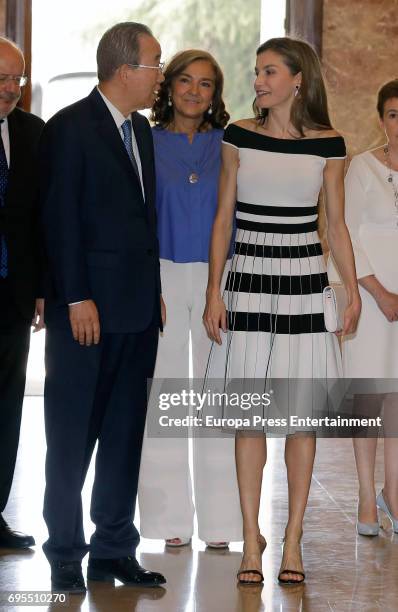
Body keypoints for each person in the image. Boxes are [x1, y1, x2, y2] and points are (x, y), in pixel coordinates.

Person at [203, 37, 361, 585]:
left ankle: (292, 539)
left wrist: (353, 291)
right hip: (246, 283)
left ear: (299, 79)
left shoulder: (330, 144)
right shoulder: (238, 135)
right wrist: (212, 292)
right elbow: (223, 217)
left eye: (269, 71)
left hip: (303, 283)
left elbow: (334, 224)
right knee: (250, 416)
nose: (259, 81)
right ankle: (252, 541)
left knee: (298, 417)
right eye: (256, 72)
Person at [40, 22, 166, 593]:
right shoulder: (69, 128)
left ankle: (113, 548)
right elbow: (60, 220)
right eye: (155, 64)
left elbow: (142, 221)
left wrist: (153, 287)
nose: (160, 76)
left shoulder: (141, 130)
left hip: (138, 312)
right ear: (125, 71)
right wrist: (75, 295)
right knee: (71, 437)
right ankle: (65, 550)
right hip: (85, 314)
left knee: (123, 435)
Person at [138, 50, 242, 548]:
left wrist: (219, 287)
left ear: (215, 93)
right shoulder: (143, 140)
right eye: (185, 80)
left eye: (205, 84)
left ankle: (223, 525)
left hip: (218, 281)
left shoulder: (231, 143)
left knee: (217, 398)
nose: (194, 92)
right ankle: (168, 524)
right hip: (158, 277)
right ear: (168, 86)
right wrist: (145, 285)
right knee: (166, 395)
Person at [328, 79, 398, 537]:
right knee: (369, 398)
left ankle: (393, 493)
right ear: (381, 119)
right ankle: (363, 495)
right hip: (371, 299)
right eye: (394, 114)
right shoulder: (361, 169)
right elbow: (345, 235)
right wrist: (378, 292)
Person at [0, 37, 44, 549]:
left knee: (7, 406)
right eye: (2, 78)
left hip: (13, 296)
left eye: (18, 79)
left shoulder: (34, 134)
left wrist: (42, 289)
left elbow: (40, 219)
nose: (11, 89)